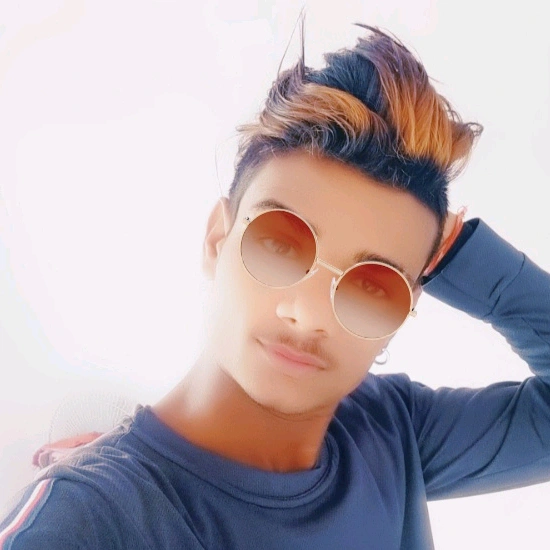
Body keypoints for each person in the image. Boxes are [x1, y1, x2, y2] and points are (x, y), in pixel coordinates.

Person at [1, 22, 549, 550]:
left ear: (404, 313)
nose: (309, 314)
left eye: (373, 285)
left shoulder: (390, 428)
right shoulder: (89, 521)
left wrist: (462, 254)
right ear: (218, 239)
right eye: (281, 246)